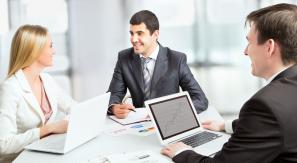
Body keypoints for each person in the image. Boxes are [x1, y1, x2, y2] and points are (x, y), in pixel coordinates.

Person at [161, 3, 297, 163]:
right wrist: (228, 126)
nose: (245, 51)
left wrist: (183, 152)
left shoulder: (265, 105)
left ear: (269, 47)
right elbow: (284, 120)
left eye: (250, 42)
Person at [108, 10, 208, 119]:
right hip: (138, 123)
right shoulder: (124, 58)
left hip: (168, 123)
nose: (133, 39)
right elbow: (113, 94)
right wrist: (113, 107)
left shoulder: (176, 60)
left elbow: (200, 99)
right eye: (132, 33)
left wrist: (170, 113)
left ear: (155, 34)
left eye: (139, 33)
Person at [0, 25, 76, 163]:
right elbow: (4, 144)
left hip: (43, 152)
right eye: (50, 46)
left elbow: (74, 107)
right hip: (19, 159)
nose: (54, 51)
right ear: (34, 50)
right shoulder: (10, 88)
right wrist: (47, 129)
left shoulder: (46, 79)